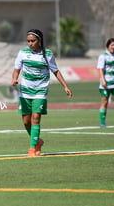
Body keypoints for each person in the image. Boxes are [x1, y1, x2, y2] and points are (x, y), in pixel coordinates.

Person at [11, 29, 73, 157]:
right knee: (26, 122)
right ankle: (38, 141)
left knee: (36, 118)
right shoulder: (22, 53)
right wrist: (14, 78)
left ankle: (32, 149)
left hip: (40, 90)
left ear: (39, 40)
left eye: (33, 41)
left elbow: (55, 71)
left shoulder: (47, 54)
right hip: (25, 91)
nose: (30, 43)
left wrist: (65, 86)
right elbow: (16, 69)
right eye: (28, 41)